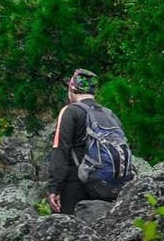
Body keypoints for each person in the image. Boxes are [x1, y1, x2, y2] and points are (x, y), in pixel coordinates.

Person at [45, 69, 128, 213]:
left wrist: (54, 188)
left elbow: (61, 150)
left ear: (72, 88)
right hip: (106, 185)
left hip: (75, 185)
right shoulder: (109, 114)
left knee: (70, 231)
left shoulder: (70, 111)